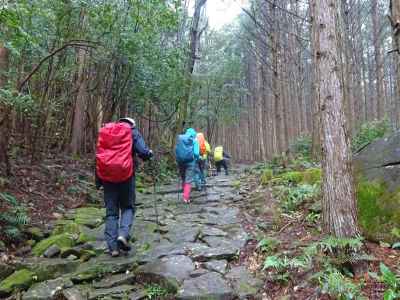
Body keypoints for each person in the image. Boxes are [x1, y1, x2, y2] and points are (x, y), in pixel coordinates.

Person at [96, 117, 152, 257]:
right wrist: (149, 154)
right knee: (128, 207)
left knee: (111, 212)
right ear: (132, 124)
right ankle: (123, 234)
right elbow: (143, 152)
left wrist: (98, 180)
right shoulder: (132, 132)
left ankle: (113, 247)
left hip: (107, 177)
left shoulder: (106, 132)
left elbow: (99, 155)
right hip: (126, 175)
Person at [175, 128, 200, 203]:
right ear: (194, 134)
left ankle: (184, 193)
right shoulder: (195, 140)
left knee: (183, 178)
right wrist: (196, 158)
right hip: (190, 162)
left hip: (180, 161)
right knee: (188, 180)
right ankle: (186, 198)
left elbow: (176, 149)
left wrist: (178, 158)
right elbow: (196, 153)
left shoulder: (180, 138)